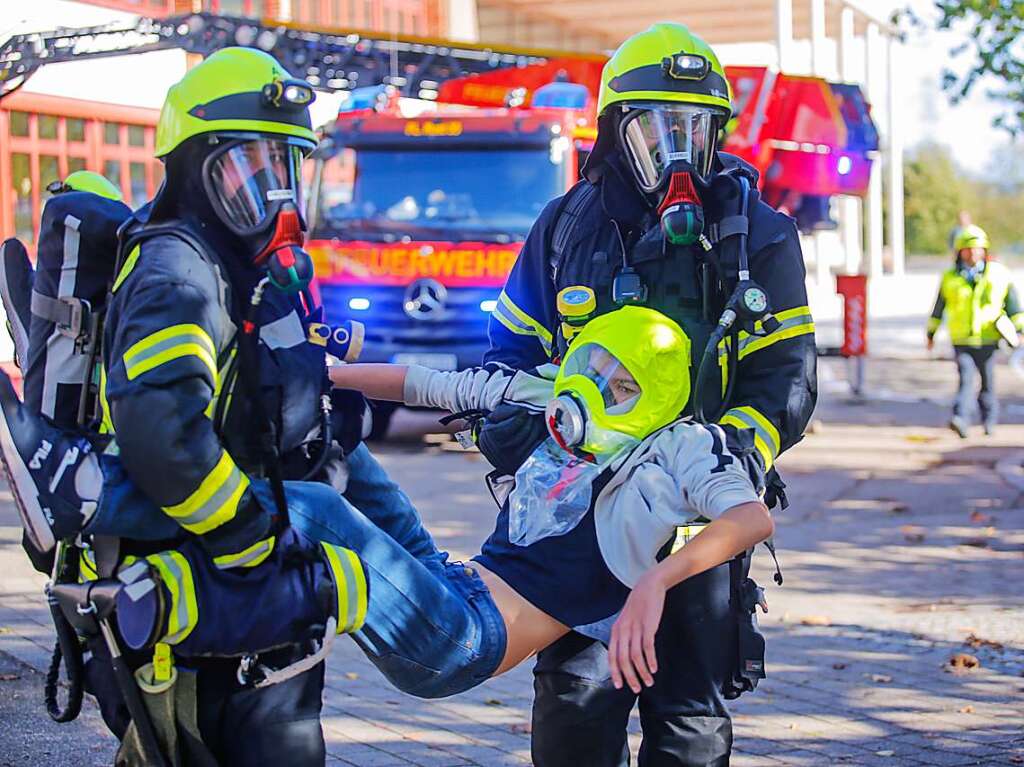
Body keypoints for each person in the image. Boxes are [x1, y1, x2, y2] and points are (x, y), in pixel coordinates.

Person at [478, 22, 817, 767]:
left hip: (696, 528)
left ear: (718, 133)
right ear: (614, 131)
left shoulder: (757, 236)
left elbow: (786, 379)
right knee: (573, 713)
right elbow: (510, 355)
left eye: (696, 126)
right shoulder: (566, 226)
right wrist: (528, 440)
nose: (677, 146)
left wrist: (725, 459)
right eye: (657, 126)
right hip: (582, 521)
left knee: (690, 725)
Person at [927, 224, 1024, 437]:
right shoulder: (950, 277)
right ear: (960, 251)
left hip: (988, 339)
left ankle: (989, 421)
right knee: (966, 379)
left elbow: (1014, 307)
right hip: (962, 339)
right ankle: (960, 419)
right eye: (968, 249)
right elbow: (938, 308)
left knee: (988, 382)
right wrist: (931, 334)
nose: (973, 253)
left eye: (978, 248)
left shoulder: (998, 275)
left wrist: (1019, 330)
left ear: (985, 250)